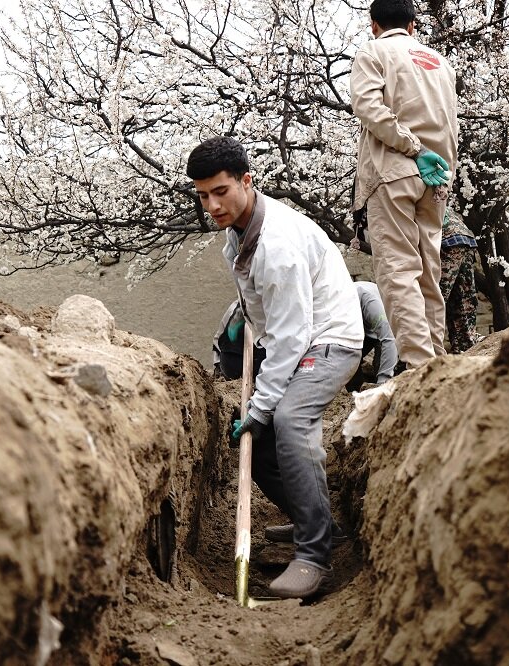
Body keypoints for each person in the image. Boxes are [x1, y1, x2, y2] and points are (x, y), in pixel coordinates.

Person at [187, 136, 364, 599]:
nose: (212, 204)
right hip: (296, 337)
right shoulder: (239, 234)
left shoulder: (277, 244)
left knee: (286, 419)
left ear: (248, 181)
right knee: (257, 436)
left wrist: (262, 403)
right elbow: (269, 313)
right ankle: (317, 521)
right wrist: (243, 319)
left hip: (329, 339)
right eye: (204, 195)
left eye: (221, 191)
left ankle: (314, 556)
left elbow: (291, 336)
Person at [350, 0, 459, 370]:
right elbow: (450, 124)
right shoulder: (441, 62)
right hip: (437, 175)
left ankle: (418, 369)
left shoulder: (373, 52)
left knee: (399, 270)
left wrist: (411, 147)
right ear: (413, 25)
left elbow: (368, 109)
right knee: (429, 271)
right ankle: (438, 363)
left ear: (373, 23)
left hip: (395, 171)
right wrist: (446, 175)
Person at [214, 282, 397, 388]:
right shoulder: (328, 306)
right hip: (237, 356)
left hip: (375, 333)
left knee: (385, 366)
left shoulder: (369, 300)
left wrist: (384, 384)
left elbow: (388, 339)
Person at [439, 209, 480, 353]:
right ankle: (466, 345)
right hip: (466, 238)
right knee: (464, 297)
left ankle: (429, 348)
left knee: (436, 298)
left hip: (447, 239)